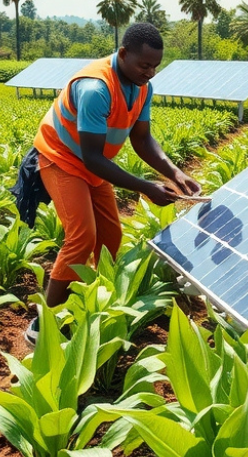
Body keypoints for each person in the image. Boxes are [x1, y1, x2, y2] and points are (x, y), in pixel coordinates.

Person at [26, 22, 201, 345]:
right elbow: (92, 157)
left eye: (155, 66)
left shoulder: (142, 87)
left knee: (110, 237)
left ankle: (88, 303)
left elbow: (142, 139)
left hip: (92, 162)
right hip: (61, 158)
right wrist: (145, 187)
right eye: (144, 65)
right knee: (82, 237)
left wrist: (175, 173)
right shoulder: (96, 88)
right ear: (123, 54)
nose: (150, 72)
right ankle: (44, 323)